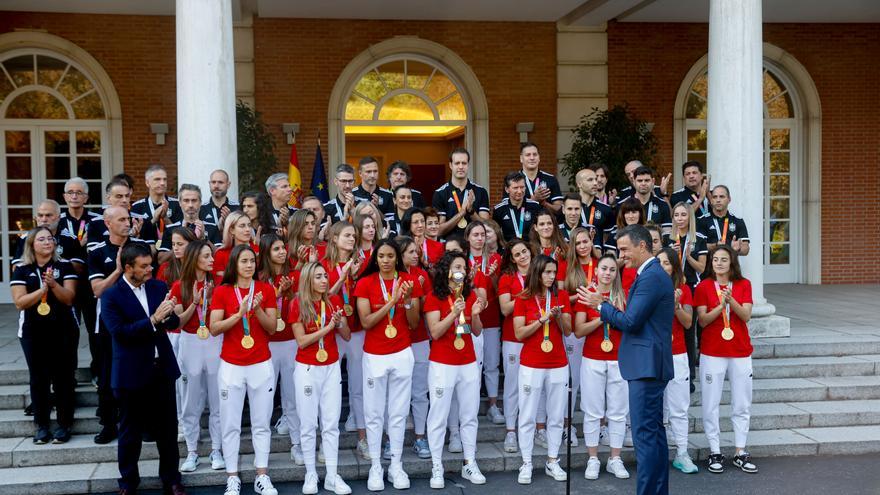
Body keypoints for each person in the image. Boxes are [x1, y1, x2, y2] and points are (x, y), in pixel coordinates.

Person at [578, 224, 674, 495]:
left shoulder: (651, 276)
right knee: (653, 436)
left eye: (624, 249)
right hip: (647, 364)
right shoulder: (648, 274)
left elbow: (631, 321)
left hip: (647, 366)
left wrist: (600, 305)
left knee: (646, 438)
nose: (621, 256)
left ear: (642, 246)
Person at [99, 242, 185, 495]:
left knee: (167, 432)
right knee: (130, 433)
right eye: (144, 266)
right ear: (128, 268)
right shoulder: (112, 296)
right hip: (131, 373)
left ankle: (171, 480)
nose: (150, 270)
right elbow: (120, 333)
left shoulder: (158, 287)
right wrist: (154, 319)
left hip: (162, 370)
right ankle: (128, 483)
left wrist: (169, 314)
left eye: (151, 264)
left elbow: (173, 322)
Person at [208, 244, 280, 495]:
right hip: (232, 366)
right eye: (244, 261)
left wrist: (257, 308)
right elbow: (214, 328)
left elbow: (272, 328)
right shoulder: (222, 292)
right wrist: (239, 314)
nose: (249, 265)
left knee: (261, 423)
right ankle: (232, 477)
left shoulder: (265, 289)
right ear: (234, 265)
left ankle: (262, 475)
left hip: (261, 363)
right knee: (230, 424)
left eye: (252, 261)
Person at [353, 239, 421, 491]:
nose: (385, 260)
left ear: (397, 257)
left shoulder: (406, 281)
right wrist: (392, 302)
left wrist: (408, 299)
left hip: (402, 352)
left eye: (390, 255)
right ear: (375, 258)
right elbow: (366, 321)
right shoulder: (365, 283)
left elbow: (414, 323)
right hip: (375, 355)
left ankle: (396, 465)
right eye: (381, 255)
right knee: (373, 413)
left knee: (399, 412)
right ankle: (375, 467)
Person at [88, 207, 153, 445]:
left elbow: (149, 280)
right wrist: (118, 270)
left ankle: (145, 423)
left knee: (143, 370)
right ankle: (108, 423)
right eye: (122, 219)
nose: (128, 222)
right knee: (107, 376)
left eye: (128, 218)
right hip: (108, 324)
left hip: (140, 319)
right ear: (108, 223)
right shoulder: (97, 252)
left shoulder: (141, 248)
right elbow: (97, 291)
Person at [424, 251, 488, 488]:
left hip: (468, 361)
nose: (463, 269)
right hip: (442, 362)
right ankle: (436, 465)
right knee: (439, 415)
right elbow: (435, 332)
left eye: (464, 266)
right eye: (458, 266)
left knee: (469, 414)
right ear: (447, 270)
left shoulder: (470, 296)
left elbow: (477, 331)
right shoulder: (434, 297)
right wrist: (453, 312)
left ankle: (469, 462)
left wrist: (475, 315)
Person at [290, 262, 353, 495]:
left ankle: (332, 475)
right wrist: (328, 328)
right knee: (308, 424)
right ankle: (310, 474)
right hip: (307, 367)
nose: (324, 280)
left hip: (331, 366)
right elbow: (302, 341)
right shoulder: (297, 304)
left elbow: (346, 335)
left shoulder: (334, 302)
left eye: (325, 275)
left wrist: (340, 322)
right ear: (308, 279)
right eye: (318, 277)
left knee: (331, 423)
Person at [11, 227, 79, 444]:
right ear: (32, 244)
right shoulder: (22, 270)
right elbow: (20, 302)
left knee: (63, 378)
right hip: (32, 333)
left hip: (63, 331)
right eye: (41, 239)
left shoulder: (64, 266)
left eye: (50, 239)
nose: (47, 242)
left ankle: (64, 424)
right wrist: (42, 291)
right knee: (38, 379)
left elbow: (69, 298)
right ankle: (41, 425)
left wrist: (53, 285)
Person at [695, 245, 757, 474]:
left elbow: (747, 315)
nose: (719, 263)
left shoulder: (743, 284)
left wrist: (731, 302)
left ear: (732, 263)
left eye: (724, 259)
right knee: (711, 404)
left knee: (741, 403)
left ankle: (740, 451)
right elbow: (702, 321)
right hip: (713, 351)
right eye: (715, 259)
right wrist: (720, 305)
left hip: (740, 351)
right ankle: (715, 451)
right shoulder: (703, 287)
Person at [512, 254, 572, 485]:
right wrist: (541, 320)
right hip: (532, 363)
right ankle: (526, 462)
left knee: (556, 416)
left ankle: (552, 460)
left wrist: (556, 318)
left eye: (554, 272)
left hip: (558, 363)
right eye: (547, 272)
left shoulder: (561, 295)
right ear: (537, 272)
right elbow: (519, 333)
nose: (551, 276)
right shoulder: (523, 298)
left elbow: (568, 331)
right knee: (527, 415)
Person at [574, 254, 630, 480]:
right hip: (593, 357)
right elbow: (578, 330)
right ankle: (593, 458)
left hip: (619, 358)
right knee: (592, 410)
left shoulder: (624, 295)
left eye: (612, 270)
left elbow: (629, 325)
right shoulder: (586, 295)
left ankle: (615, 458)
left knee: (617, 411)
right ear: (596, 271)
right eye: (604, 269)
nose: (607, 273)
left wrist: (612, 310)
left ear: (617, 273)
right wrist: (603, 313)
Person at [172, 240, 225, 473]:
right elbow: (179, 322)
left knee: (217, 399)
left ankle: (216, 449)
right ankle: (192, 451)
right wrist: (194, 302)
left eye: (211, 255)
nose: (212, 260)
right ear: (195, 259)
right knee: (190, 400)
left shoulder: (220, 284)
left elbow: (223, 318)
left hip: (214, 340)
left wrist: (212, 301)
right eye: (207, 256)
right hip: (190, 341)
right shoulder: (179, 286)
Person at [322, 222, 369, 459]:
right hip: (331, 332)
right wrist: (342, 278)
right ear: (334, 238)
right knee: (328, 388)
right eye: (347, 235)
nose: (352, 239)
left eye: (354, 235)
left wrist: (356, 275)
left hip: (357, 331)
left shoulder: (361, 266)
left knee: (359, 387)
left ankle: (363, 439)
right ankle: (326, 441)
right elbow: (322, 297)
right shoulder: (323, 266)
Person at [257, 233, 303, 464]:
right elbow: (255, 313)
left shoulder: (294, 276)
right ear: (266, 253)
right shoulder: (258, 279)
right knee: (264, 399)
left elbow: (303, 308)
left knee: (292, 396)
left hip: (291, 342)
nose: (283, 252)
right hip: (266, 345)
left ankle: (297, 445)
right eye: (276, 249)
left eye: (283, 248)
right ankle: (262, 451)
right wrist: (275, 295)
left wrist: (291, 294)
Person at [656, 247, 699, 474]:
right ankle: (658, 454)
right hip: (654, 354)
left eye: (666, 263)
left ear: (674, 266)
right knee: (656, 410)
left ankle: (682, 452)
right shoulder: (649, 287)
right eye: (659, 262)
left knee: (679, 407)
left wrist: (675, 305)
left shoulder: (683, 289)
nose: (662, 266)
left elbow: (688, 322)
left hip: (677, 354)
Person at [558, 227, 599, 446]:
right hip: (574, 327)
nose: (583, 246)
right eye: (578, 243)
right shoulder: (566, 266)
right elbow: (561, 297)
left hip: (598, 327)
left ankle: (600, 426)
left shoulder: (600, 263)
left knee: (595, 380)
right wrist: (582, 295)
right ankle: (567, 426)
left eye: (586, 242)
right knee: (571, 379)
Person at [60, 178, 102, 380]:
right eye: (70, 192)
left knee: (96, 330)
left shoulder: (97, 219)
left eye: (79, 192)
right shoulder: (57, 222)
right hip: (66, 286)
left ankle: (97, 371)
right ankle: (68, 375)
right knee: (69, 332)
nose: (74, 196)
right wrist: (80, 246)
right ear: (64, 196)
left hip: (91, 284)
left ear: (86, 197)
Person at [396, 236, 432, 459]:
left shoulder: (421, 275)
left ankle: (420, 436)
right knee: (397, 394)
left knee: (420, 391)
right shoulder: (389, 276)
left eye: (416, 251)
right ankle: (393, 440)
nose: (415, 254)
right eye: (410, 251)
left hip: (418, 339)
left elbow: (427, 309)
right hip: (396, 342)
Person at [464, 221, 503, 425]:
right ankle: (471, 403)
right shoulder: (462, 260)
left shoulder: (496, 259)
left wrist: (493, 276)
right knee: (471, 364)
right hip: (468, 318)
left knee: (491, 363)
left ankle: (493, 405)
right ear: (468, 237)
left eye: (482, 235)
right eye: (475, 235)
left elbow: (500, 290)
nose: (480, 238)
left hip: (491, 318)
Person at [496, 239, 532, 453]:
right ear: (512, 259)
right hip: (513, 338)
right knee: (512, 386)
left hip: (536, 337)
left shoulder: (539, 273)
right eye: (517, 254)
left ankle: (538, 428)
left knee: (535, 387)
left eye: (524, 251)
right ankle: (511, 431)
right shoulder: (507, 278)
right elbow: (505, 308)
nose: (522, 256)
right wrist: (528, 295)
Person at [131, 164, 183, 264]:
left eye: (165, 179)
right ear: (147, 183)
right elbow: (136, 237)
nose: (162, 183)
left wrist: (166, 219)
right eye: (157, 179)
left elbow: (181, 234)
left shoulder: (177, 204)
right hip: (145, 258)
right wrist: (153, 220)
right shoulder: (137, 207)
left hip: (171, 258)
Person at [432, 148, 490, 235]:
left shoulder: (480, 191)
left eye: (464, 163)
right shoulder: (440, 193)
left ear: (468, 165)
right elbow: (439, 231)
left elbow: (486, 227)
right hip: (451, 246)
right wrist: (462, 213)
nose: (461, 167)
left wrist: (471, 211)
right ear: (451, 165)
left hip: (475, 245)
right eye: (457, 163)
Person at [159, 184, 221, 250]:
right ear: (180, 203)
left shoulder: (212, 227)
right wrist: (181, 240)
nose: (190, 205)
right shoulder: (170, 229)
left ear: (200, 202)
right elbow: (161, 258)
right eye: (186, 200)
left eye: (194, 200)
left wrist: (203, 239)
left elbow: (220, 255)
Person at [700, 185, 750, 256]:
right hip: (708, 266)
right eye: (715, 197)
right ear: (711, 200)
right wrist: (716, 245)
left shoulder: (738, 221)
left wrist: (737, 249)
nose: (718, 200)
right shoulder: (701, 220)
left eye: (721, 197)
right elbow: (697, 247)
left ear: (729, 199)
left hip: (731, 266)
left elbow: (746, 249)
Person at [493, 171, 542, 242]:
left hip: (531, 249)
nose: (519, 191)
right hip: (508, 250)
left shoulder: (535, 206)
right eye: (515, 188)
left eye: (522, 187)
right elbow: (496, 235)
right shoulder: (499, 210)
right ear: (507, 189)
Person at [514, 142, 563, 213]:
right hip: (522, 223)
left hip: (545, 223)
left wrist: (544, 203)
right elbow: (508, 209)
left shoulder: (551, 179)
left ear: (539, 158)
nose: (532, 158)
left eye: (535, 154)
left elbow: (559, 210)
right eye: (528, 155)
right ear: (521, 158)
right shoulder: (513, 180)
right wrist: (534, 199)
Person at [213, 211, 259, 285]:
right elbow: (220, 284)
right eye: (242, 226)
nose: (247, 229)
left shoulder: (258, 250)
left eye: (249, 225)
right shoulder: (221, 254)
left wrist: (227, 274)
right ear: (231, 230)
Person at [575, 167, 614, 250]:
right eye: (590, 180)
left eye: (595, 180)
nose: (595, 183)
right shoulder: (569, 208)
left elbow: (607, 237)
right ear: (579, 184)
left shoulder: (606, 209)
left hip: (597, 257)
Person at [626, 166, 672, 236]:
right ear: (634, 182)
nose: (643, 183)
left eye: (647, 180)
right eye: (640, 181)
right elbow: (620, 230)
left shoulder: (662, 205)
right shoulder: (624, 205)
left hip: (654, 245)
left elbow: (667, 233)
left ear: (653, 181)